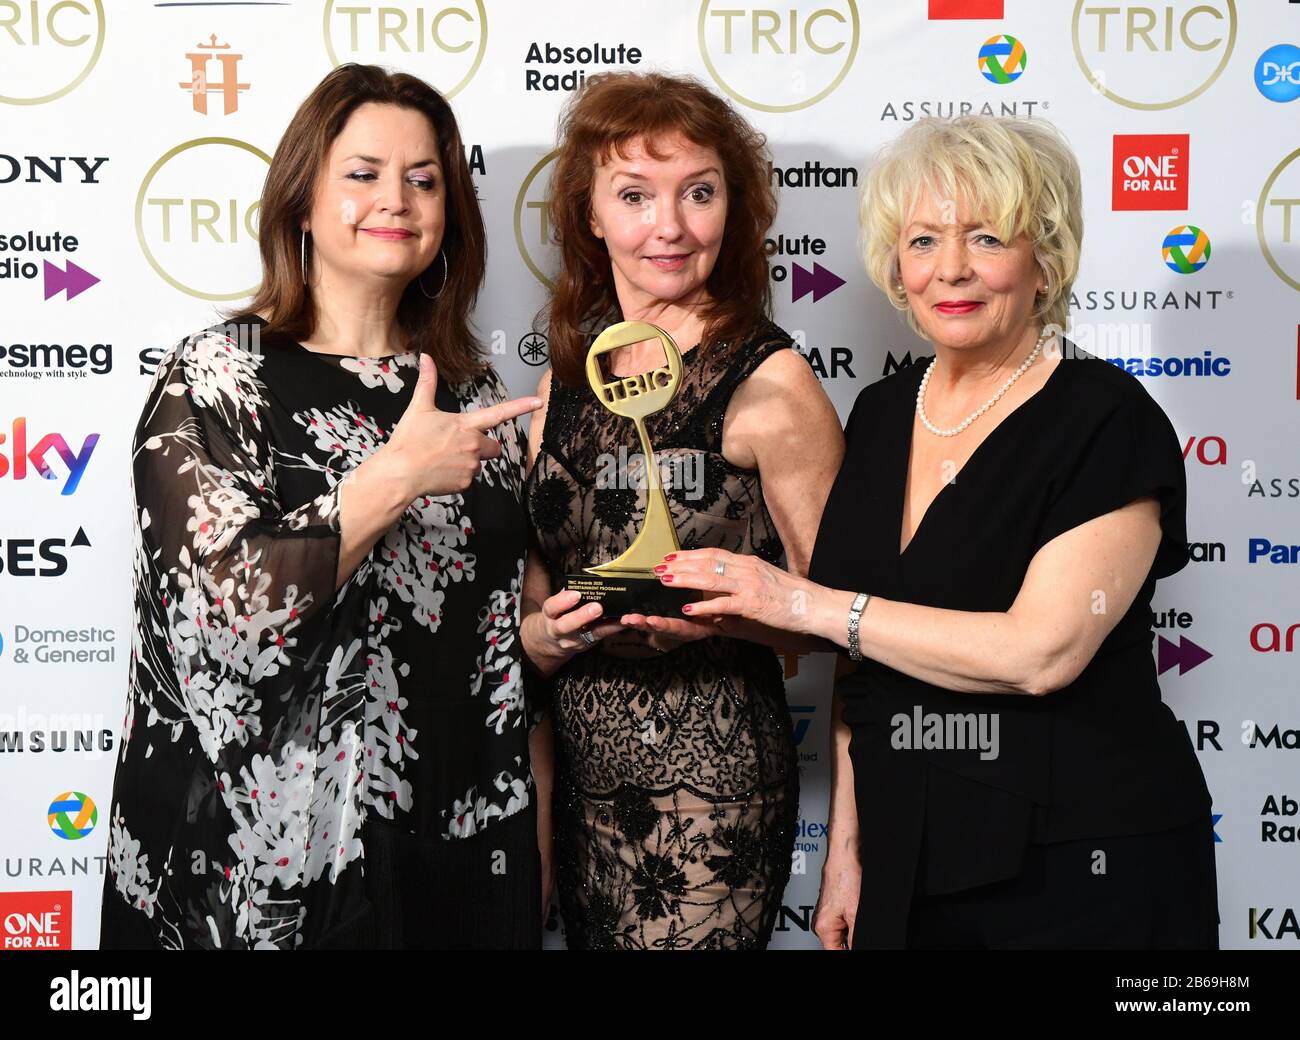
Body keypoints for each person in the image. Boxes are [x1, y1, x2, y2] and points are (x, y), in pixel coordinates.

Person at [656, 115, 1219, 949]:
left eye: (986, 237)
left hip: (1083, 858)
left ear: (1045, 259)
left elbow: (1040, 655)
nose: (950, 268)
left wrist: (808, 604)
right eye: (923, 240)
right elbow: (866, 672)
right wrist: (846, 853)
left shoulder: (1107, 418)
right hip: (906, 852)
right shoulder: (882, 413)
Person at [99, 63, 545, 949]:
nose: (399, 199)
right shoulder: (219, 376)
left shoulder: (472, 389)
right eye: (364, 173)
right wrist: (396, 475)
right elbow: (224, 618)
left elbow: (487, 630)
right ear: (302, 201)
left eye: (425, 180)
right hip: (259, 872)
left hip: (452, 857)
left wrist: (546, 634)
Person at [519, 71, 844, 949]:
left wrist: (731, 616)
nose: (670, 226)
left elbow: (850, 620)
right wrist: (543, 637)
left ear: (730, 209)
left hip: (710, 795)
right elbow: (536, 594)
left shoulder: (770, 385)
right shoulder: (566, 381)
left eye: (699, 192)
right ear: (590, 215)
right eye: (635, 195)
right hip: (576, 784)